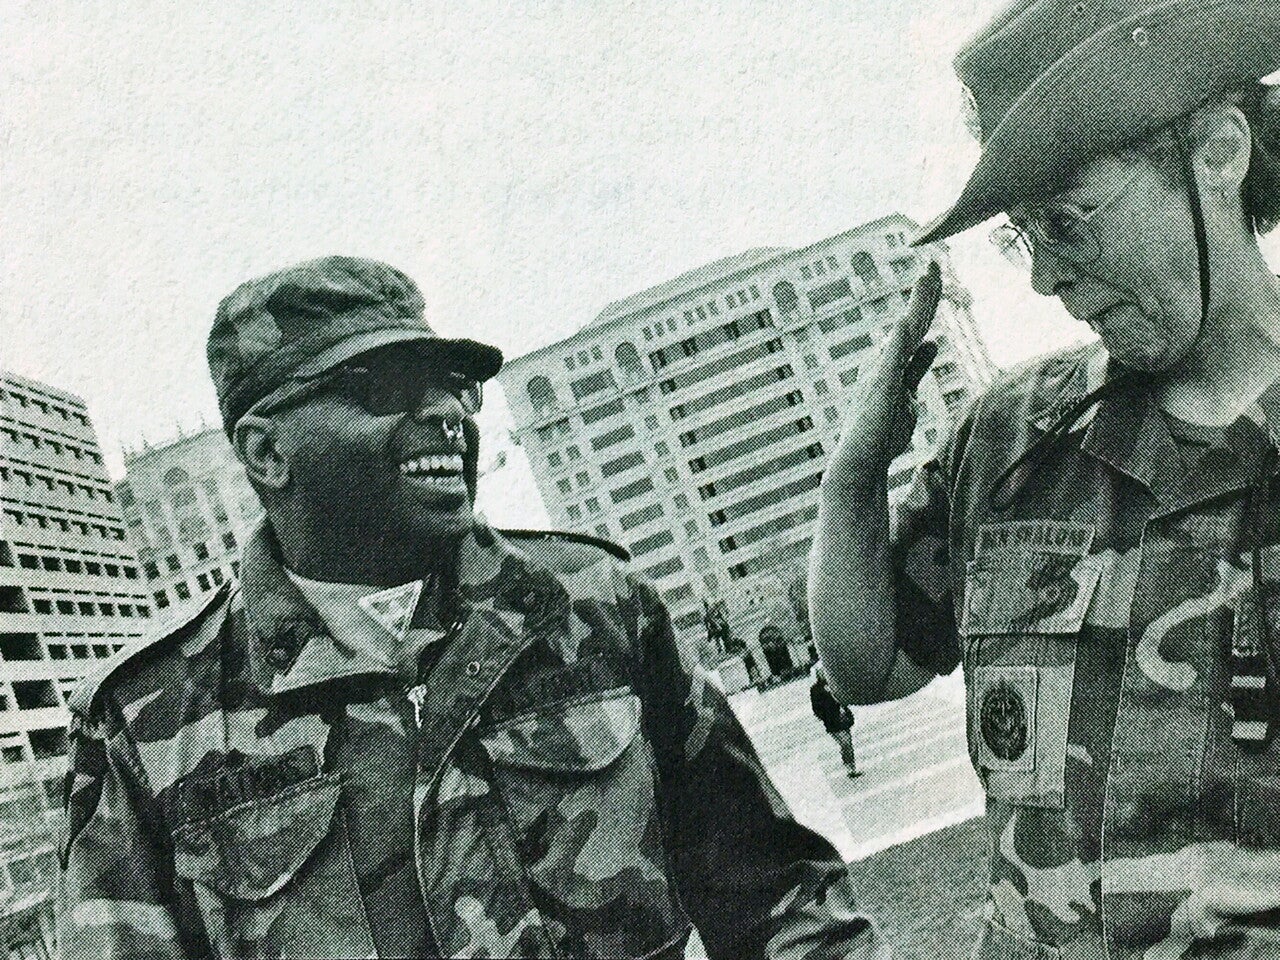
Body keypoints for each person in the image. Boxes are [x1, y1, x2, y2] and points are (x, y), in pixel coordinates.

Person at [58, 256, 891, 960]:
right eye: (382, 386)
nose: (450, 412)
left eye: (454, 383)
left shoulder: (591, 606)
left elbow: (781, 898)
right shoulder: (151, 721)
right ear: (268, 451)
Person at [809, 1, 1280, 957]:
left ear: (1219, 153)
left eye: (1069, 220)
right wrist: (851, 479)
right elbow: (868, 665)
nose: (1046, 279)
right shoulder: (1013, 437)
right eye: (1025, 236)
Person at [809, 666, 860, 778]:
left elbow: (844, 697)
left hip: (843, 718)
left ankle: (852, 768)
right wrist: (825, 717)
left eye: (825, 671)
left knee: (848, 744)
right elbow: (816, 708)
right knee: (845, 742)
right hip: (831, 721)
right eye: (821, 672)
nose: (824, 673)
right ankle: (849, 768)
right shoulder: (815, 689)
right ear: (817, 674)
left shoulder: (834, 683)